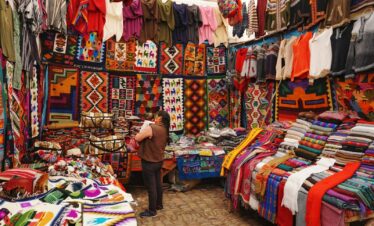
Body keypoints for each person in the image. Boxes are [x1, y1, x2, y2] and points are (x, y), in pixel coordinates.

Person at [135, 110, 170, 218]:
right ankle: (159, 205)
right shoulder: (165, 129)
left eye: (156, 116)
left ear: (160, 118)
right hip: (158, 160)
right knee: (158, 184)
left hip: (149, 161)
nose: (155, 117)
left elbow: (137, 138)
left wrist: (142, 130)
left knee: (151, 187)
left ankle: (152, 210)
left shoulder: (152, 128)